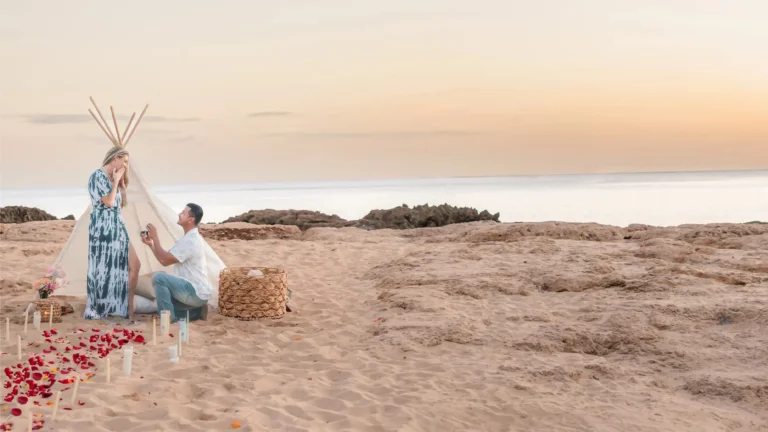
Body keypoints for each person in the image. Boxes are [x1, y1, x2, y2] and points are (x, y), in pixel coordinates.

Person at [85, 146, 141, 320]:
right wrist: (116, 181)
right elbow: (109, 202)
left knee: (134, 264)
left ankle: (126, 307)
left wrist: (121, 183)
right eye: (124, 161)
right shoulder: (97, 176)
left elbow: (119, 203)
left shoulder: (111, 178)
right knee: (104, 269)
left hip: (117, 224)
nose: (125, 165)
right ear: (115, 158)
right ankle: (112, 308)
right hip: (103, 227)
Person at [140, 203, 211, 322]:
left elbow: (164, 260)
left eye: (183, 213)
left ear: (191, 220)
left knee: (159, 278)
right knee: (164, 302)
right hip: (193, 292)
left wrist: (156, 238)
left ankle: (167, 319)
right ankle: (197, 312)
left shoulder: (191, 241)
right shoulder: (188, 238)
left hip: (194, 291)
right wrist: (152, 244)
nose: (179, 214)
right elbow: (165, 257)